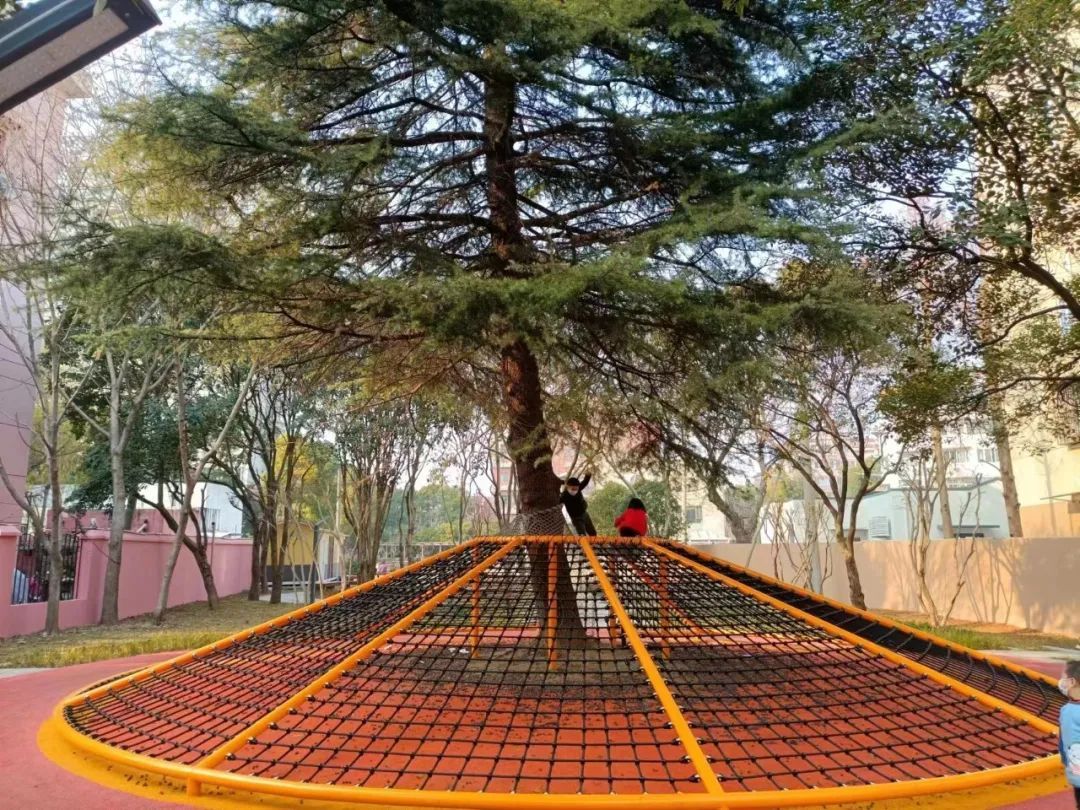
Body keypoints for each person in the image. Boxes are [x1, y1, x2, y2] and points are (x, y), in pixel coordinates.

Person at [1060, 660, 1080, 810]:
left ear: (1072, 682)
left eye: (1063, 678)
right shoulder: (1065, 709)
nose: (1061, 682)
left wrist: (1065, 760)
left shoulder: (1066, 710)